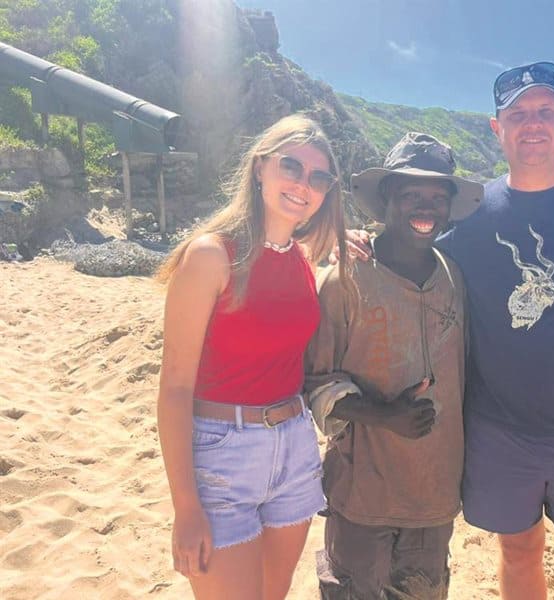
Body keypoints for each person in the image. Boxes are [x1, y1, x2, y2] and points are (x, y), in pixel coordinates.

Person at [342, 62, 554, 599]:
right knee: (518, 554)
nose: (532, 124)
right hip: (497, 433)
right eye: (518, 114)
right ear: (498, 129)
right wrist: (357, 237)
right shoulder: (471, 215)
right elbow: (410, 247)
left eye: (545, 112)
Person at [156, 114, 348, 600]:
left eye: (318, 178)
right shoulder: (210, 256)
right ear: (260, 167)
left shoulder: (304, 260)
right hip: (222, 455)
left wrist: (361, 244)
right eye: (291, 166)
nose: (304, 185)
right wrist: (186, 508)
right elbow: (175, 387)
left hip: (295, 449)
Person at [305, 132, 482, 599]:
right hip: (363, 492)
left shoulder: (453, 277)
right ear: (386, 200)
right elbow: (313, 382)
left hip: (435, 493)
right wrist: (385, 416)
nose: (425, 209)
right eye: (410, 195)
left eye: (437, 197)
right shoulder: (345, 279)